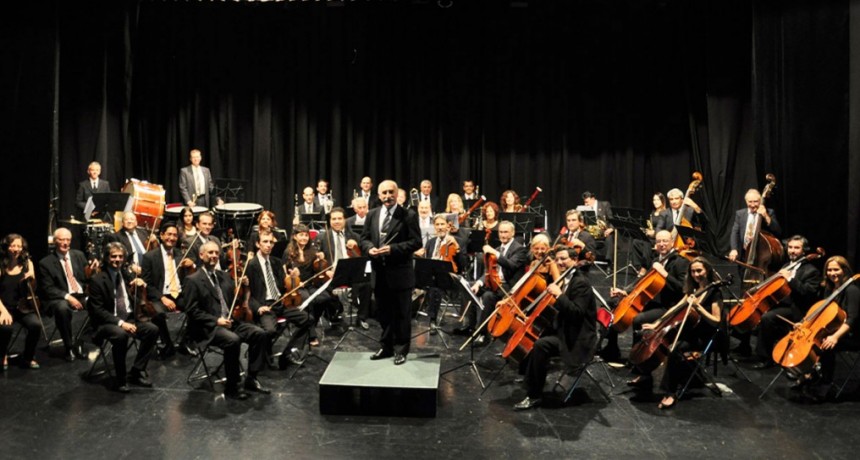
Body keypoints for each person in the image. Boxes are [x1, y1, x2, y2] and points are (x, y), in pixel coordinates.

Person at [183, 241, 270, 399]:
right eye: (210, 252)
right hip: (208, 327)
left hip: (229, 322)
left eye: (216, 253)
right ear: (201, 255)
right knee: (233, 340)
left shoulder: (223, 276)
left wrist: (244, 285)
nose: (214, 256)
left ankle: (251, 378)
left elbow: (235, 298)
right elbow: (192, 311)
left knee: (259, 333)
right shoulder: (193, 280)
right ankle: (232, 386)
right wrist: (216, 320)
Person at [514, 247, 597, 410]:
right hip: (567, 329)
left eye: (563, 259)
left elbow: (576, 313)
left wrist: (559, 295)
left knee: (541, 345)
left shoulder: (581, 283)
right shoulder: (566, 279)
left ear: (574, 260)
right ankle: (530, 379)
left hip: (578, 337)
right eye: (557, 259)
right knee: (536, 335)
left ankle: (534, 395)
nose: (559, 262)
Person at [636, 256, 724, 409]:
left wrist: (698, 307)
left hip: (704, 336)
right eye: (693, 272)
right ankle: (644, 373)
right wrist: (657, 323)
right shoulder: (694, 290)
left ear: (707, 271)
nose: (696, 275)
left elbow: (716, 320)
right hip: (689, 332)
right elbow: (675, 308)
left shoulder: (714, 292)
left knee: (675, 349)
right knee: (654, 337)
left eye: (699, 271)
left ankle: (670, 393)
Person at [360, 179, 422, 365]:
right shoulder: (372, 214)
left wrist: (393, 249)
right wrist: (369, 248)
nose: (388, 196)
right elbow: (364, 239)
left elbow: (416, 242)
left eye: (391, 192)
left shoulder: (408, 215)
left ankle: (401, 349)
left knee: (402, 314)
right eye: (384, 193)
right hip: (379, 273)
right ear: (379, 196)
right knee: (383, 313)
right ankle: (386, 347)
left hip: (400, 274)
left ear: (397, 194)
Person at [605, 230, 689, 362]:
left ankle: (636, 358)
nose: (662, 244)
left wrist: (664, 274)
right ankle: (611, 349)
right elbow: (642, 281)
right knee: (613, 303)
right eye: (659, 241)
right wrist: (626, 292)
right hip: (651, 301)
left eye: (665, 241)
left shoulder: (680, 262)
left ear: (672, 242)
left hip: (667, 306)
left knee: (637, 319)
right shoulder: (656, 260)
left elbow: (682, 288)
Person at [86, 242, 158, 392]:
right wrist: (120, 323)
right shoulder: (97, 280)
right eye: (114, 256)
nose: (117, 260)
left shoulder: (125, 275)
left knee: (152, 330)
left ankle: (137, 371)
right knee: (120, 335)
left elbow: (133, 297)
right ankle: (120, 379)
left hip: (129, 318)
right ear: (106, 258)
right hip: (106, 323)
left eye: (120, 256)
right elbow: (98, 311)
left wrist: (140, 284)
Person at [245, 232, 314, 368]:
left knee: (308, 319)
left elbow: (283, 284)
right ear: (258, 244)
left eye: (271, 242)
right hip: (265, 305)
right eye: (265, 242)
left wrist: (293, 278)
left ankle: (286, 354)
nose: (268, 245)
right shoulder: (251, 265)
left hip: (281, 303)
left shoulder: (276, 262)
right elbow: (248, 294)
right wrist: (258, 307)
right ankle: (264, 356)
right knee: (270, 331)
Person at [751, 236, 821, 369]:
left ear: (804, 250)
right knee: (755, 312)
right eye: (790, 247)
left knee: (767, 318)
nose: (792, 251)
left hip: (797, 309)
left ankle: (765, 358)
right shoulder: (786, 266)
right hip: (781, 304)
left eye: (797, 248)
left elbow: (807, 293)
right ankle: (743, 347)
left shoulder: (812, 271)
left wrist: (790, 279)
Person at [796, 256, 858, 401]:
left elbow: (852, 319)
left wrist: (835, 337)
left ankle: (824, 385)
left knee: (825, 344)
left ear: (844, 270)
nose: (832, 273)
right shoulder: (829, 289)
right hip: (832, 330)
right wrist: (805, 323)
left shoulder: (852, 290)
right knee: (808, 340)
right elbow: (822, 313)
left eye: (836, 269)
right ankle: (809, 374)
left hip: (850, 334)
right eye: (829, 270)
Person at [460, 221, 528, 343]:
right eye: (501, 232)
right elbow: (488, 271)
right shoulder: (497, 249)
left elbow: (511, 265)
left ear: (512, 233)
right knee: (468, 286)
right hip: (493, 283)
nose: (503, 235)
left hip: (508, 287)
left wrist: (495, 253)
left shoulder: (520, 249)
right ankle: (470, 326)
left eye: (506, 232)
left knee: (488, 296)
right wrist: (479, 283)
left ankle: (483, 334)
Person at [38, 228, 95, 361]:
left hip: (80, 294)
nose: (65, 243)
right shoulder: (45, 263)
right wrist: (68, 297)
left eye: (68, 239)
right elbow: (48, 289)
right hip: (59, 297)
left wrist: (93, 271)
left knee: (100, 303)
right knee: (62, 308)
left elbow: (87, 278)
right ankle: (68, 346)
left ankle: (80, 340)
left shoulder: (79, 255)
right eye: (61, 239)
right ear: (54, 241)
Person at [141, 222, 194, 357]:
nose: (172, 238)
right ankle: (168, 345)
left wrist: (191, 265)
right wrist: (162, 298)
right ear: (162, 235)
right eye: (169, 234)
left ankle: (185, 342)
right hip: (160, 296)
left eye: (175, 235)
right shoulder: (149, 257)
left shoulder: (181, 254)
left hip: (178, 294)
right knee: (157, 314)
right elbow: (147, 283)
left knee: (196, 308)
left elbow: (190, 278)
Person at [316, 207, 371, 329]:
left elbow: (362, 258)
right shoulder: (322, 237)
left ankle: (361, 317)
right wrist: (326, 270)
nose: (336, 221)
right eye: (334, 219)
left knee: (366, 284)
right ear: (330, 221)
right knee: (323, 288)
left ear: (345, 219)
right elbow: (316, 261)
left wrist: (355, 248)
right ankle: (335, 313)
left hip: (351, 272)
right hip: (332, 273)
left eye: (339, 218)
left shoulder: (354, 236)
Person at [0, 234, 41, 370]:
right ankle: (2, 355)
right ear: (6, 247)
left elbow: (32, 289)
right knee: (6, 327)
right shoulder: (1, 265)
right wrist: (3, 311)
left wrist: (32, 279)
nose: (16, 249)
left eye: (19, 246)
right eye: (13, 246)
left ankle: (28, 357)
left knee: (35, 325)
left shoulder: (28, 263)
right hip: (3, 307)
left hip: (22, 307)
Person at [417, 214, 460, 331]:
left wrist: (457, 247)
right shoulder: (430, 242)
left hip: (449, 277)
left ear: (447, 226)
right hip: (431, 276)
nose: (440, 227)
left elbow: (462, 265)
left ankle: (432, 320)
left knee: (435, 286)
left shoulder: (456, 241)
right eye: (437, 224)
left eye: (442, 224)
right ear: (434, 227)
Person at [728, 188, 782, 263]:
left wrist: (765, 216)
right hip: (744, 254)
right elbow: (735, 233)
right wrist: (734, 249)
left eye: (755, 201)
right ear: (746, 201)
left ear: (760, 201)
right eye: (750, 202)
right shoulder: (740, 214)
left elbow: (777, 231)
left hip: (761, 254)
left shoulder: (769, 212)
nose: (753, 205)